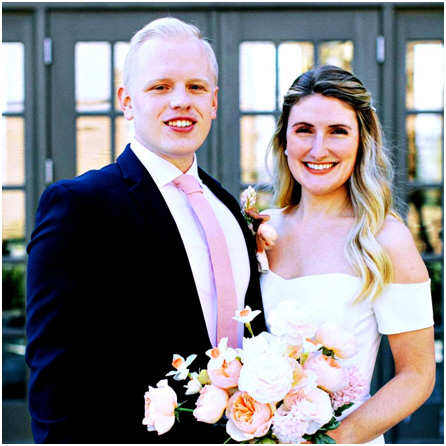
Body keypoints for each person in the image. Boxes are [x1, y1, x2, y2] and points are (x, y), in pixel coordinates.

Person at [26, 17, 265, 444]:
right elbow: (53, 369)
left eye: (196, 87)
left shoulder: (227, 206)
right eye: (160, 87)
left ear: (213, 102)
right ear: (127, 101)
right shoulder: (79, 205)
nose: (181, 101)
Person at [260, 65, 435, 444]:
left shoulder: (385, 239)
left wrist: (333, 440)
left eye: (337, 131)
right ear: (285, 140)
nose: (318, 149)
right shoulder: (259, 229)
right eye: (304, 130)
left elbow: (417, 376)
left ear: (361, 142)